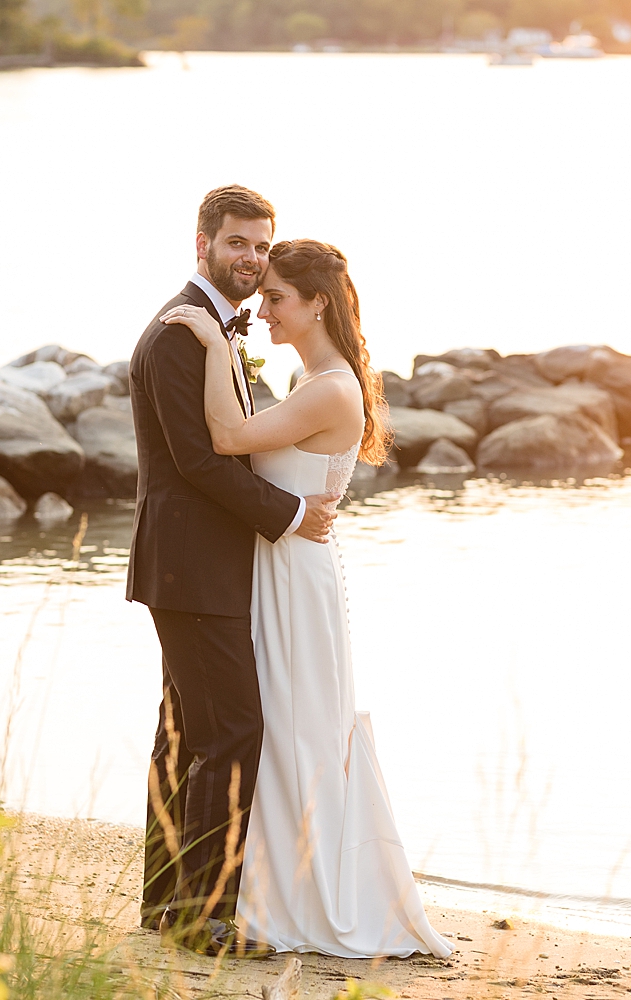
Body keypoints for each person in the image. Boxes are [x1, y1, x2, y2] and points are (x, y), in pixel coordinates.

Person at [160, 238, 452, 958]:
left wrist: (209, 338)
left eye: (277, 298)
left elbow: (227, 437)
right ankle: (263, 889)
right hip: (281, 569)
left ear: (317, 302)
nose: (263, 310)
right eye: (261, 300)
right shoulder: (313, 378)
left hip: (296, 578)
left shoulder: (329, 388)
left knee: (297, 732)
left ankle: (298, 894)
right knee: (280, 729)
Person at [126, 185, 338, 958]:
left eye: (260, 246)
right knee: (230, 729)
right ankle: (205, 916)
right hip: (191, 565)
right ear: (202, 243)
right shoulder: (183, 333)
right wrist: (289, 516)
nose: (250, 258)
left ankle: (165, 900)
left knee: (184, 732)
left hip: (192, 565)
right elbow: (198, 462)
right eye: (237, 244)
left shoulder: (211, 328)